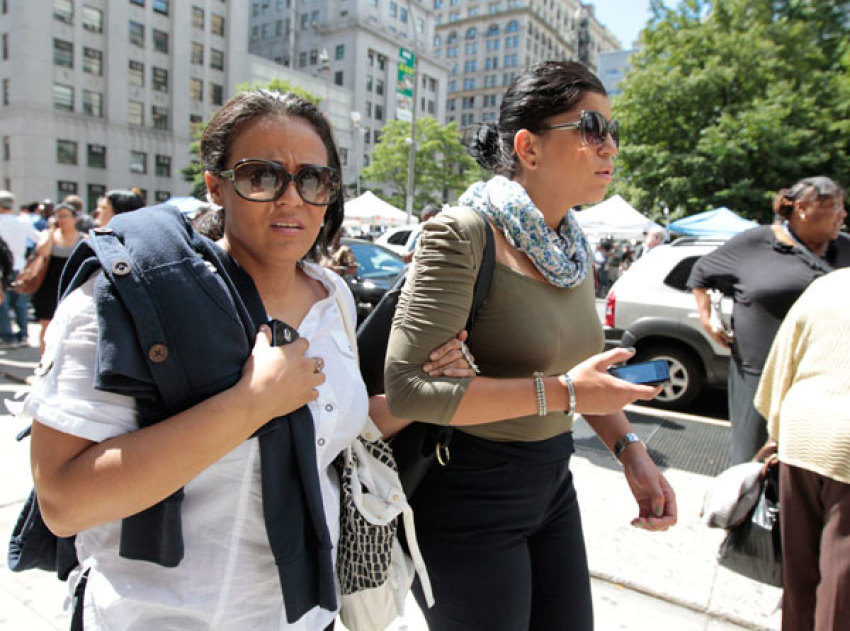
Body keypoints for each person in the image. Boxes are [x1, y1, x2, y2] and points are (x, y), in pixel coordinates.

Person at [24, 89, 471, 630]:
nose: (291, 198)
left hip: (305, 615)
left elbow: (327, 436)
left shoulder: (334, 298)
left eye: (312, 179)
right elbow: (64, 502)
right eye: (262, 176)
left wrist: (420, 389)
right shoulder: (124, 296)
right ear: (217, 185)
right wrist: (249, 404)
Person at [382, 61, 677, 630]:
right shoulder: (461, 232)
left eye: (614, 131)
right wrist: (565, 393)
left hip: (552, 483)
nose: (609, 145)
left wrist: (631, 451)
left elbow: (583, 381)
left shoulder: (570, 247)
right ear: (529, 147)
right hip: (468, 492)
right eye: (591, 128)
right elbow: (410, 388)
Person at [689, 176, 849, 465]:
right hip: (760, 377)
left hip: (826, 384)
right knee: (754, 464)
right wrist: (707, 316)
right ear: (802, 208)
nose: (843, 214)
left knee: (813, 467)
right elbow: (702, 272)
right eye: (836, 206)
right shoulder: (756, 242)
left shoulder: (846, 250)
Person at [754, 267, 850, 631]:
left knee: (800, 579)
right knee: (840, 593)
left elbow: (781, 361)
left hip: (802, 433)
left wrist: (776, 431)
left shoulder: (829, 284)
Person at [30, 202, 84, 353]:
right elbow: (43, 252)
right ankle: (44, 362)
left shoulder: (83, 237)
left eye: (65, 215)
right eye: (58, 216)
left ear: (74, 218)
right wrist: (52, 231)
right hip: (49, 285)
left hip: (72, 285)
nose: (62, 219)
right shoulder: (48, 234)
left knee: (70, 325)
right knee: (47, 324)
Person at [0, 189, 42, 348]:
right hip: (21, 267)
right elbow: (39, 239)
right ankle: (23, 335)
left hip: (2, 269)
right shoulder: (22, 222)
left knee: (2, 304)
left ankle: (7, 337)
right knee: (21, 303)